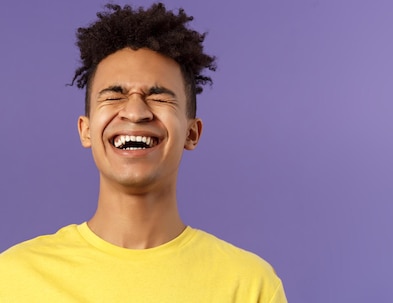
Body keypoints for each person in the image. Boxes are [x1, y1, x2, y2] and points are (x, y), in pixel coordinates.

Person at [0, 3, 287, 302]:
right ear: (86, 130)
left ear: (192, 133)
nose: (136, 112)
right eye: (114, 96)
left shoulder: (250, 285)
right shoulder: (11, 279)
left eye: (158, 97)